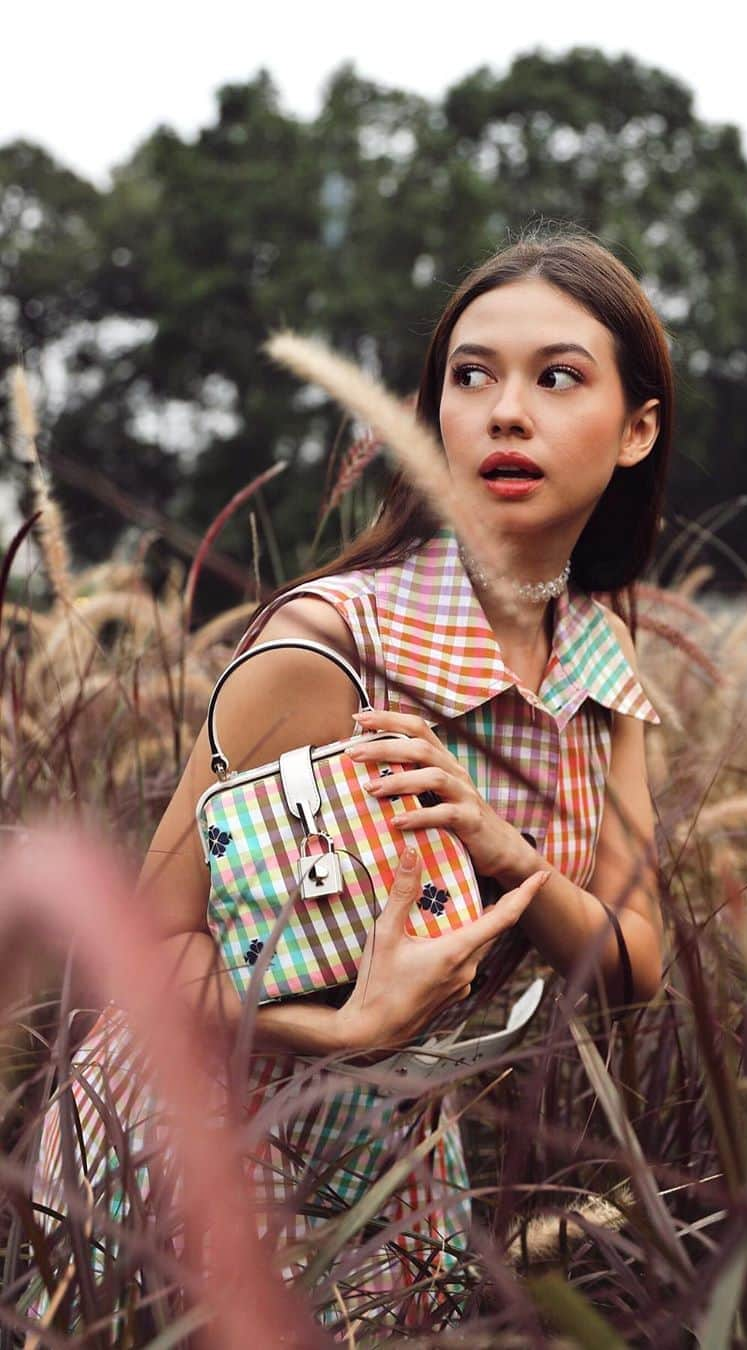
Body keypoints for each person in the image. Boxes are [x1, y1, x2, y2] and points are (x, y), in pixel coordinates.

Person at [25, 225, 673, 1339]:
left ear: (636, 429)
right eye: (471, 378)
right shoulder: (325, 651)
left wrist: (505, 854)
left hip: (393, 1157)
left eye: (557, 377)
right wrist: (336, 1030)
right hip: (193, 1136)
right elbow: (150, 949)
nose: (505, 412)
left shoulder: (602, 671)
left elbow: (636, 963)